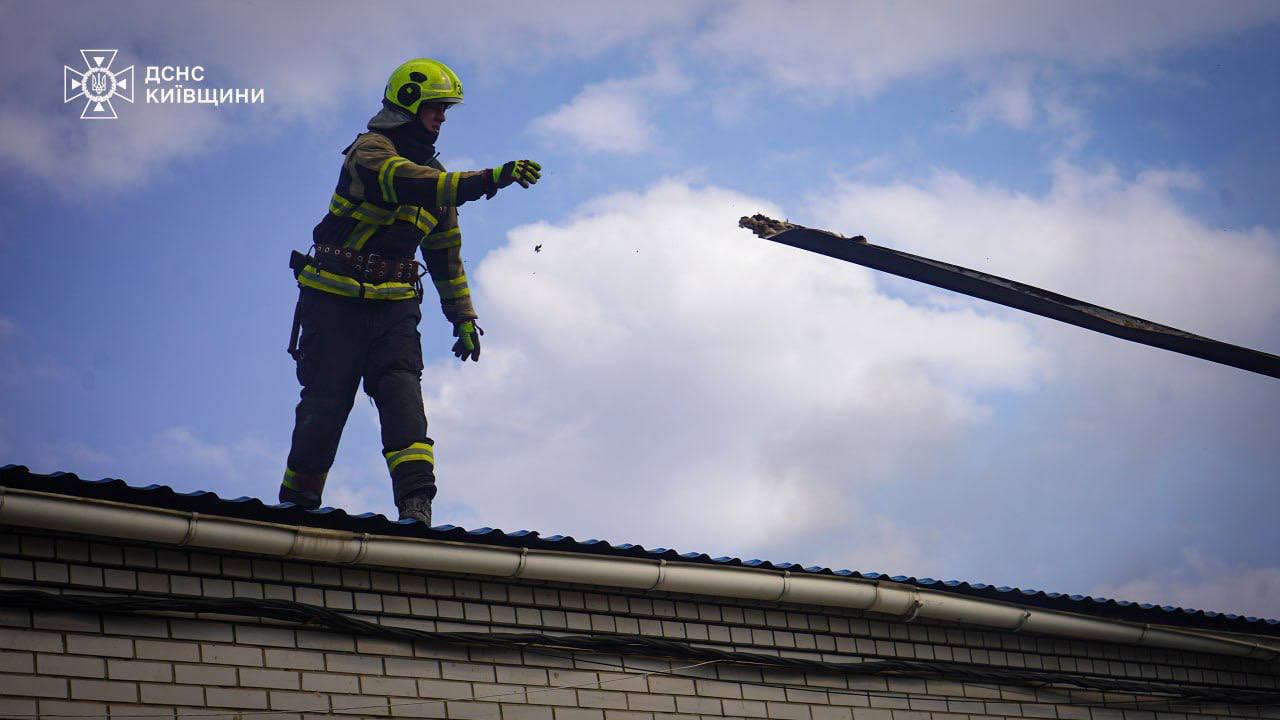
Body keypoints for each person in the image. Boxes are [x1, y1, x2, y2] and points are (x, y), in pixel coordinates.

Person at [280, 58, 541, 525]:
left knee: (404, 403)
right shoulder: (370, 152)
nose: (442, 119)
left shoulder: (438, 182)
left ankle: (416, 505)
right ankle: (296, 508)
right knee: (325, 406)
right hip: (335, 302)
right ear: (408, 103)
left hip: (394, 312)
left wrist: (462, 317)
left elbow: (445, 255)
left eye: (445, 111)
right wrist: (489, 179)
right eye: (436, 108)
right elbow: (404, 181)